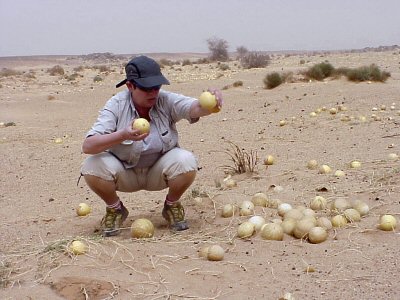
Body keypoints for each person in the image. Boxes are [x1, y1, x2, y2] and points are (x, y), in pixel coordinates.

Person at [81, 55, 223, 237]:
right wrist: (122, 135)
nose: (153, 93)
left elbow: (194, 108)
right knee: (92, 165)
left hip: (158, 172)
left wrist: (210, 103)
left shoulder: (165, 100)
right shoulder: (116, 105)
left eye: (157, 87)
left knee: (186, 160)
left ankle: (171, 205)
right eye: (146, 88)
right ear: (130, 86)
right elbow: (88, 146)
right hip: (125, 173)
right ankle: (115, 209)